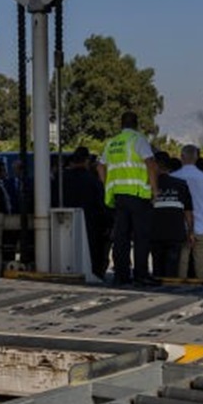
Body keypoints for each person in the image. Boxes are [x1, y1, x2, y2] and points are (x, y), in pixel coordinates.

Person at [100, 112, 157, 286]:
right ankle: (141, 275)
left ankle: (121, 275)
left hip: (119, 195)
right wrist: (155, 189)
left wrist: (108, 185)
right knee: (141, 236)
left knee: (121, 237)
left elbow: (100, 166)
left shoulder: (112, 143)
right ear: (136, 124)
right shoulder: (137, 139)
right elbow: (151, 163)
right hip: (138, 194)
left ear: (121, 124)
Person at [173, 144, 203, 279]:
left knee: (181, 266)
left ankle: (179, 292)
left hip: (180, 229)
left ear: (182, 157)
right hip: (202, 228)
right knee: (201, 268)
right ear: (197, 157)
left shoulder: (174, 177)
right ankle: (202, 291)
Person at [59, 147, 107, 280]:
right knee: (93, 253)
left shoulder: (62, 179)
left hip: (64, 223)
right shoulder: (92, 180)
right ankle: (95, 275)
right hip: (91, 223)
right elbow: (101, 202)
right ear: (86, 161)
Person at [150, 153, 192, 279]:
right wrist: (190, 231)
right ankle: (170, 289)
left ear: (155, 165)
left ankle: (157, 292)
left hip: (155, 232)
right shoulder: (180, 184)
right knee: (172, 268)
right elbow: (188, 211)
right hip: (175, 233)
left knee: (157, 267)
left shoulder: (149, 185)